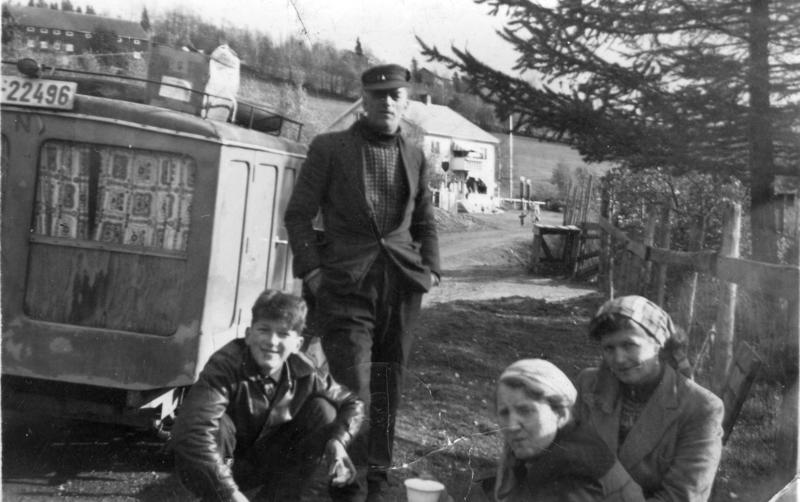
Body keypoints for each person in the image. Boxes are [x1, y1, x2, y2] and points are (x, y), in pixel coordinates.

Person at [284, 63, 441, 500]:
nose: (387, 102)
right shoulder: (330, 148)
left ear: (406, 103)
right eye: (378, 95)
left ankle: (378, 479)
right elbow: (297, 214)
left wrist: (431, 269)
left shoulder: (415, 154)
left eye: (395, 95)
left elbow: (425, 219)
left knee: (391, 383)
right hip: (345, 286)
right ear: (363, 101)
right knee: (356, 388)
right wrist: (312, 271)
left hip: (402, 285)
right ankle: (346, 480)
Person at [170, 290, 365, 501]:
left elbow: (352, 403)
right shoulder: (225, 365)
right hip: (215, 468)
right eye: (264, 330)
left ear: (297, 344)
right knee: (217, 425)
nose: (272, 341)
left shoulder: (305, 369)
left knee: (322, 411)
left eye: (283, 334)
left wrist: (337, 442)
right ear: (248, 334)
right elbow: (194, 432)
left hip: (264, 464)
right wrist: (229, 493)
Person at [575, 295, 724, 502]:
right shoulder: (589, 385)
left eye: (629, 345)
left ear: (658, 344)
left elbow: (682, 497)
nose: (618, 359)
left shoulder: (700, 407)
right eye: (609, 348)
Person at [470, 358, 643, 501]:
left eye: (525, 410)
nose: (512, 425)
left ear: (560, 413)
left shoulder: (572, 468)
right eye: (504, 413)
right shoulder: (559, 447)